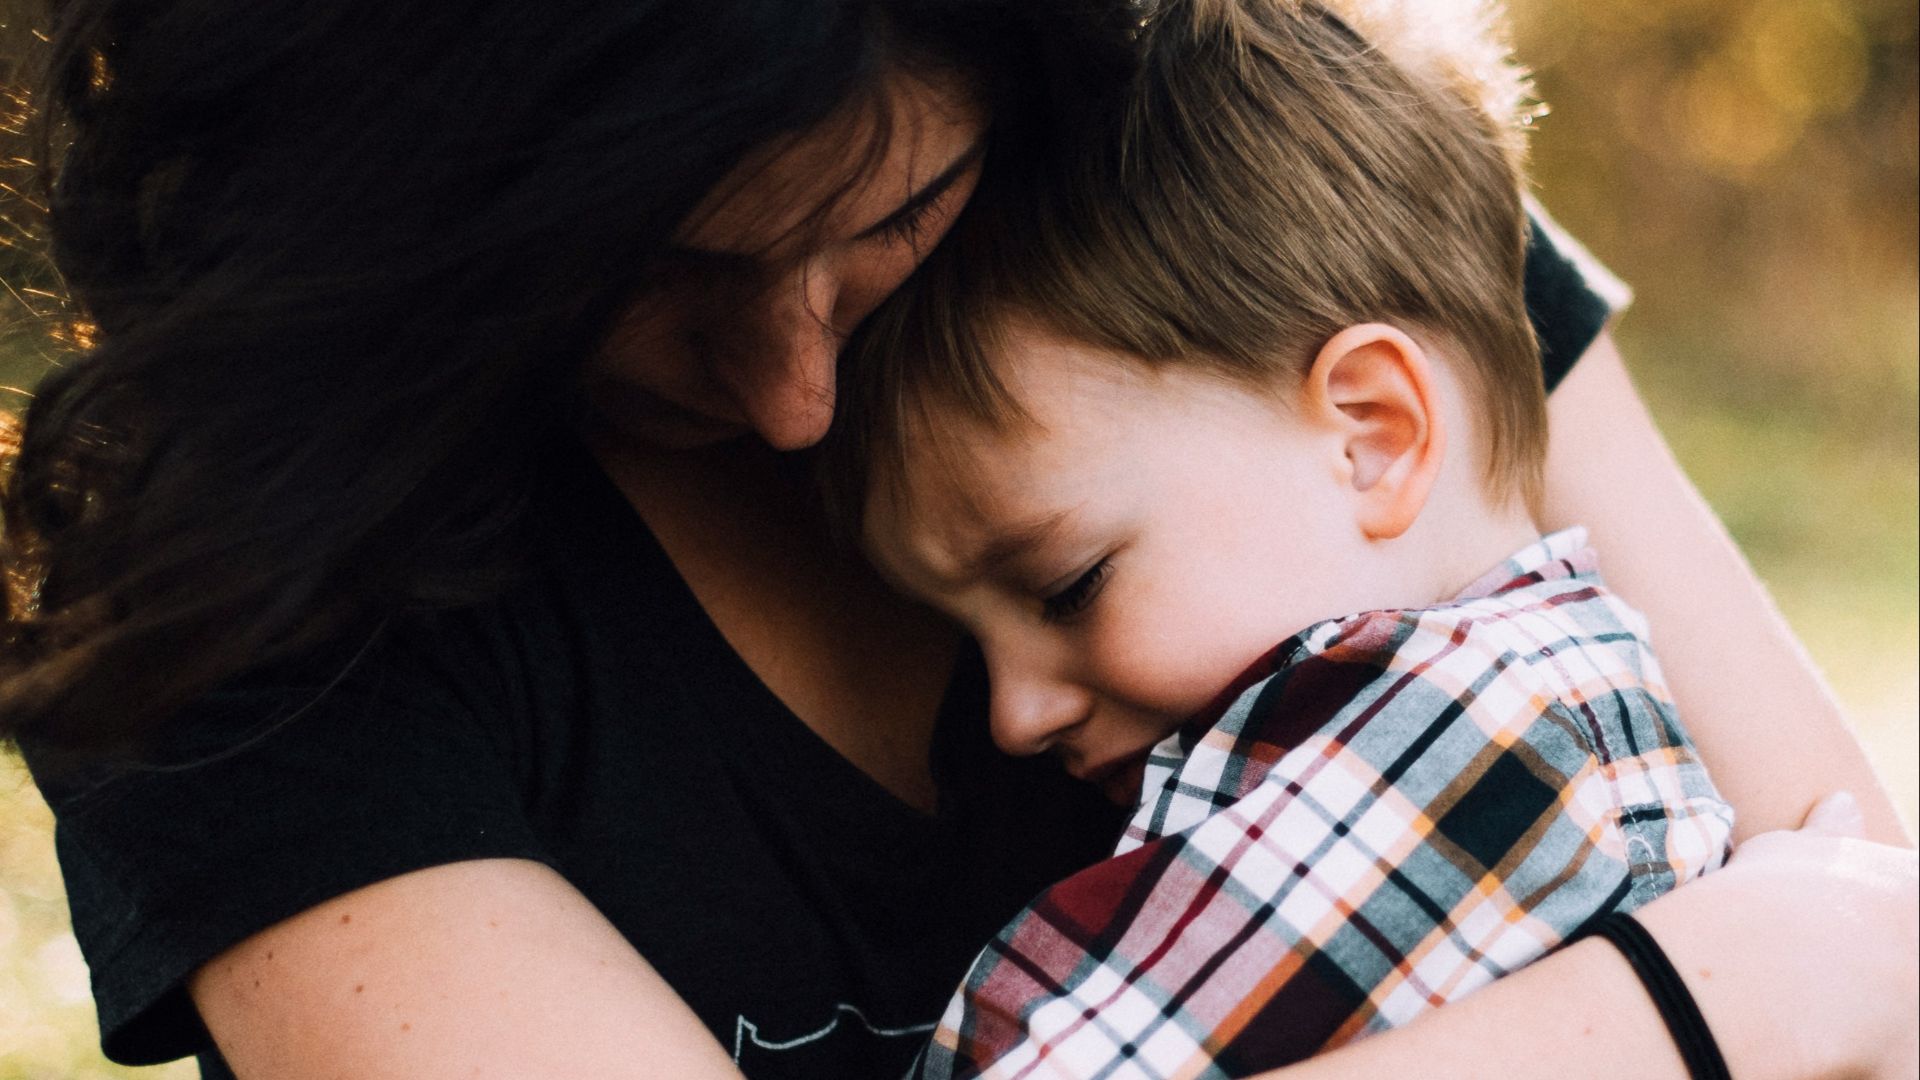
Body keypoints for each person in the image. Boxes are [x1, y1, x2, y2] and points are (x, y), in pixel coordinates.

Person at [0, 2, 1910, 1079]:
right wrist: (1695, 1001)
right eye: (647, 271)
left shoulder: (1264, 206)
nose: (795, 395)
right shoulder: (240, 583)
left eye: (892, 216)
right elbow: (1845, 954)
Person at [824, 1, 1731, 1073]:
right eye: (966, 638)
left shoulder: (1469, 745)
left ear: (1372, 437)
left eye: (1069, 586)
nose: (1012, 714)